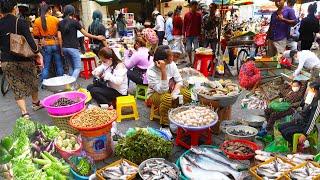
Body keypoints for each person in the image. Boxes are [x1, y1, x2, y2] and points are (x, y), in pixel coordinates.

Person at [0, 0, 44, 118]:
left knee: (15, 85)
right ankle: (35, 103)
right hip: (24, 59)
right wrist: (38, 53)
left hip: (7, 61)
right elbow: (31, 43)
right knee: (33, 80)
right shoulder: (21, 22)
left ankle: (24, 113)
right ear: (15, 8)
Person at [147, 45, 191, 126]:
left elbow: (179, 81)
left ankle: (180, 118)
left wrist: (175, 92)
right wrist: (163, 71)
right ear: (164, 60)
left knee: (187, 95)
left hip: (171, 89)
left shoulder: (172, 64)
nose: (172, 57)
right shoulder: (151, 71)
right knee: (167, 98)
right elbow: (162, 90)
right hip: (155, 93)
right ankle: (165, 124)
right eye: (170, 56)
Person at [57, 5, 105, 79]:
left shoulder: (60, 23)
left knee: (71, 67)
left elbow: (59, 37)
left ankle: (72, 86)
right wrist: (97, 37)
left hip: (64, 48)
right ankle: (71, 84)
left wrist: (61, 49)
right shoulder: (75, 22)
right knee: (78, 67)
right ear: (73, 12)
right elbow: (85, 34)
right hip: (73, 48)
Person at [33, 3, 63, 82]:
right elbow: (60, 32)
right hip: (55, 43)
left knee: (46, 65)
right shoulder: (55, 19)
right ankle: (61, 81)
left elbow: (35, 34)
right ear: (48, 10)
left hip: (45, 44)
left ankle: (44, 83)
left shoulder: (37, 20)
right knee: (59, 64)